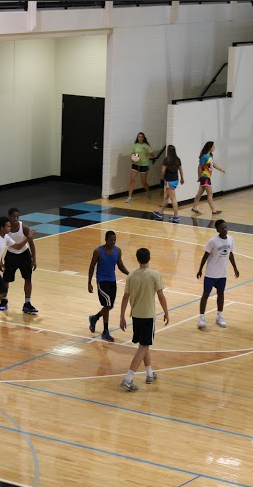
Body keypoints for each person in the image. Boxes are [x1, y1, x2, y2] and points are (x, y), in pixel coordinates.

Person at [118, 248, 169, 391]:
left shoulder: (131, 276)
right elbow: (161, 296)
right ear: (150, 257)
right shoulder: (155, 275)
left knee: (143, 344)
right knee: (143, 346)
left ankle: (149, 374)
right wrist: (166, 312)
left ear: (137, 259)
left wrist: (122, 316)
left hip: (135, 316)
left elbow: (125, 297)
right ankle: (128, 378)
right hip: (147, 316)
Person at [87, 230, 130, 342]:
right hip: (102, 281)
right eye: (111, 240)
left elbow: (120, 265)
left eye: (115, 240)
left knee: (110, 306)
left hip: (112, 281)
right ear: (105, 239)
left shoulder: (118, 251)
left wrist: (130, 274)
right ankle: (105, 331)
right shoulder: (98, 251)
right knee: (107, 305)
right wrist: (89, 282)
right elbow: (91, 267)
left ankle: (94, 318)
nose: (113, 242)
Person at [196, 219, 239, 329]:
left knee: (221, 294)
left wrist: (235, 268)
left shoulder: (230, 239)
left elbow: (230, 254)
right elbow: (205, 256)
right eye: (222, 228)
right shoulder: (213, 241)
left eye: (226, 227)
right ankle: (201, 318)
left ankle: (219, 316)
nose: (225, 229)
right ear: (217, 230)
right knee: (205, 295)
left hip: (222, 274)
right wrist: (200, 269)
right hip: (211, 273)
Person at [0, 208, 39, 314]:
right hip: (11, 256)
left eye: (17, 217)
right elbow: (0, 247)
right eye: (14, 216)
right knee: (6, 280)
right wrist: (0, 261)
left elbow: (31, 244)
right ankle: (4, 300)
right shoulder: (5, 230)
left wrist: (34, 259)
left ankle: (27, 304)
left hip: (25, 255)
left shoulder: (24, 227)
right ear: (9, 217)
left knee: (28, 279)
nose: (16, 219)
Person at [191, 141, 225, 215]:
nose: (214, 148)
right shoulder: (204, 157)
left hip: (206, 177)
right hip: (205, 177)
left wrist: (220, 169)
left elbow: (213, 164)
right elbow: (199, 167)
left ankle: (194, 208)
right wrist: (199, 177)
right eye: (213, 146)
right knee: (210, 193)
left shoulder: (209, 156)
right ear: (210, 147)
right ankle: (213, 210)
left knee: (200, 193)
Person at [152, 145, 184, 223]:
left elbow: (163, 170)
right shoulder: (177, 159)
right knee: (166, 197)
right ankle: (161, 212)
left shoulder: (167, 160)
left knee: (173, 198)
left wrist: (162, 177)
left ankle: (176, 216)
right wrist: (182, 178)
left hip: (169, 181)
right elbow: (180, 169)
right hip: (175, 180)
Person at [126, 132, 155, 203]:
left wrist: (148, 152)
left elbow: (153, 155)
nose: (140, 138)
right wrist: (132, 159)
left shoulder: (147, 146)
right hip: (135, 165)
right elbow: (132, 155)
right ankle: (129, 197)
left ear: (143, 138)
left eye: (142, 137)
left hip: (144, 165)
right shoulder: (135, 145)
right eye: (139, 137)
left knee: (143, 182)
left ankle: (148, 191)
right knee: (132, 180)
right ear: (137, 138)